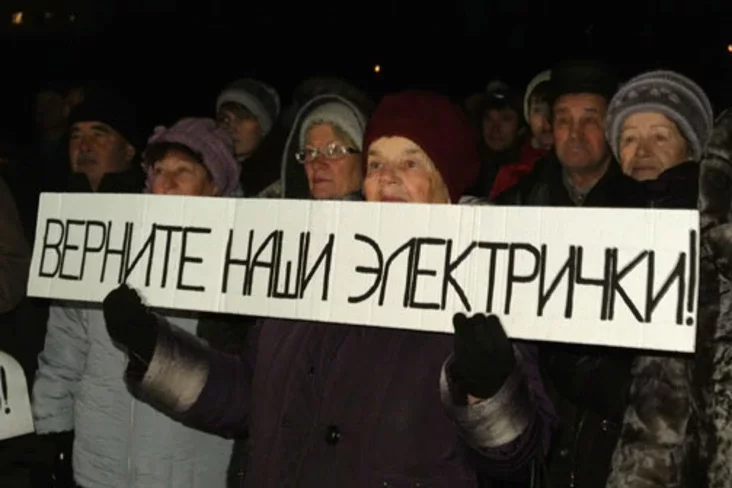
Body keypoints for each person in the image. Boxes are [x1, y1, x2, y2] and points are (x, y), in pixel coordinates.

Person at [100, 91, 556, 487]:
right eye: (376, 163)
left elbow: (519, 455)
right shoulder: (309, 267)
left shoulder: (482, 282)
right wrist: (154, 349)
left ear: (447, 183)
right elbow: (247, 395)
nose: (386, 176)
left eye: (410, 162)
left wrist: (488, 391)